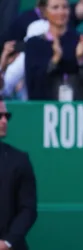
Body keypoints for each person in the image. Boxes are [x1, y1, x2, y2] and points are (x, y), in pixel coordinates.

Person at [0, 99, 38, 250]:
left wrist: (7, 242)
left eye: (6, 116)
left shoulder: (19, 160)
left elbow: (28, 209)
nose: (4, 121)